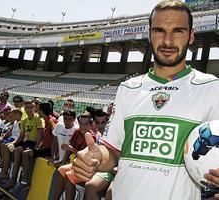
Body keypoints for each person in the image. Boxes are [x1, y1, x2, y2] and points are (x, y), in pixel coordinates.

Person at [72, 1, 219, 200]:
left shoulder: (211, 88)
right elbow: (113, 152)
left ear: (191, 35)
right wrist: (97, 157)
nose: (167, 40)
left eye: (178, 31)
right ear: (149, 33)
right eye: (159, 30)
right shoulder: (128, 88)